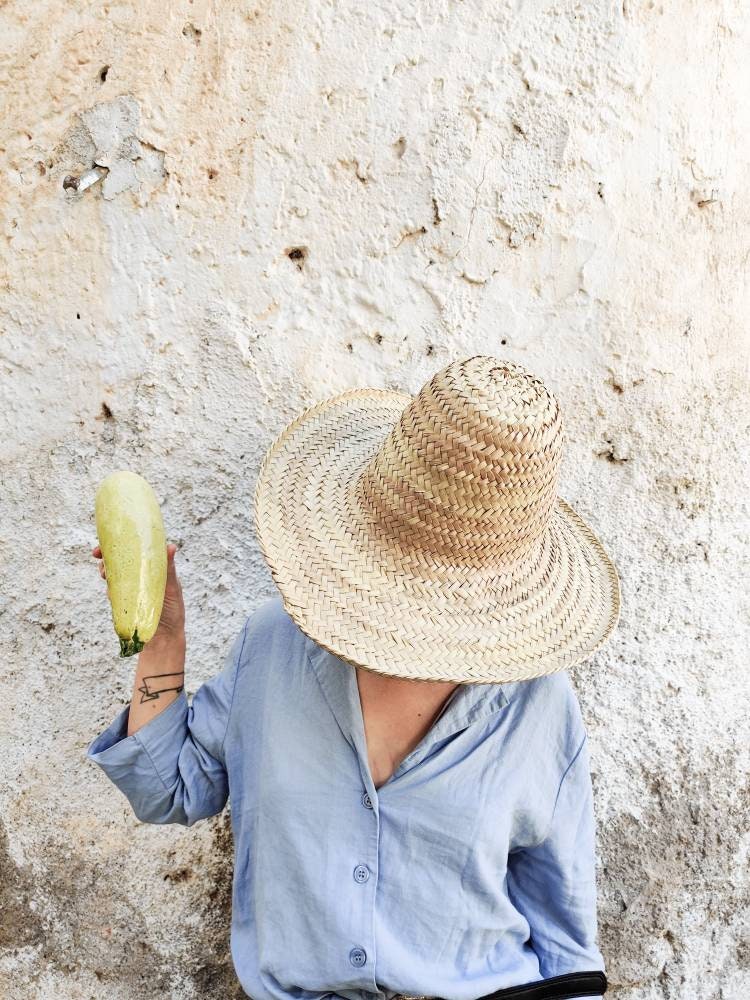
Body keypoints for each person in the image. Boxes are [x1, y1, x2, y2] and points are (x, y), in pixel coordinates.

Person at [86, 356, 620, 1000]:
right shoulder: (273, 646)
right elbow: (166, 790)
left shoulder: (537, 699)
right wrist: (161, 639)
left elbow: (565, 939)